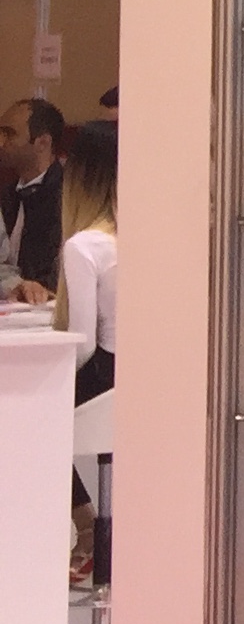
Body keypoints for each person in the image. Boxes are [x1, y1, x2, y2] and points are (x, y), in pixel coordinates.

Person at [50, 121, 115, 591]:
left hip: (106, 377)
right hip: (142, 377)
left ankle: (87, 524)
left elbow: (85, 341)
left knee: (27, 410)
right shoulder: (142, 238)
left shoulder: (84, 245)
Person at [2, 96, 65, 300]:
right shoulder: (5, 194)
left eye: (10, 134)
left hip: (48, 303)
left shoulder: (68, 196)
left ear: (42, 143)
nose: (1, 142)